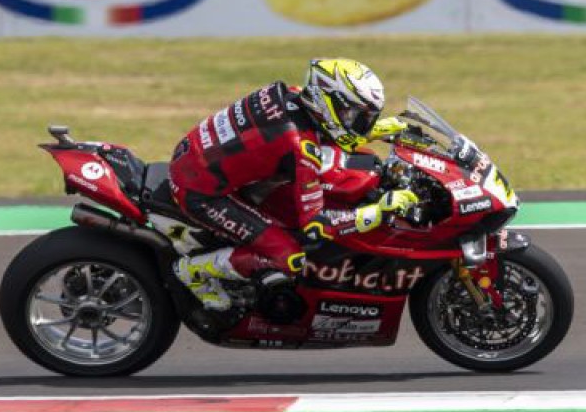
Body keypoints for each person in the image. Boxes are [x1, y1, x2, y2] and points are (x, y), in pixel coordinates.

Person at [168, 58, 417, 310]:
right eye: (354, 115)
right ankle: (194, 271)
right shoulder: (300, 148)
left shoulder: (296, 96)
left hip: (197, 158)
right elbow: (316, 226)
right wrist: (377, 212)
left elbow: (325, 131)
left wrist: (373, 131)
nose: (359, 123)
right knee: (291, 257)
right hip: (200, 193)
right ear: (326, 101)